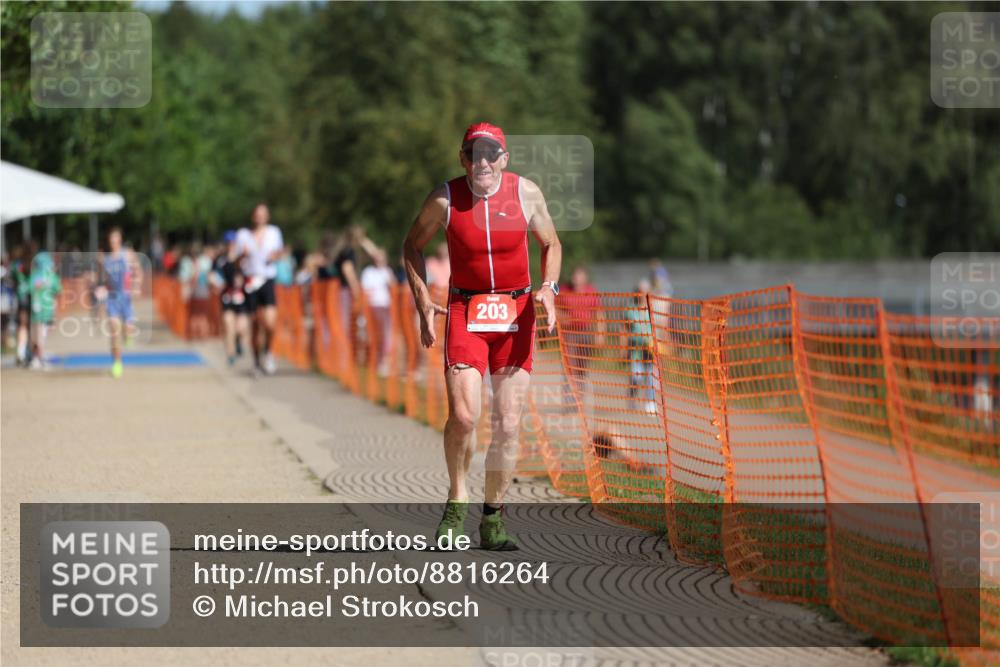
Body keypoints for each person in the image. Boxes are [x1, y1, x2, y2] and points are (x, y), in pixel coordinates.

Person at [403, 122, 562, 550]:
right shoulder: (445, 199)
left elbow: (551, 244)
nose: (483, 162)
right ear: (463, 159)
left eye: (491, 153)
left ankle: (493, 518)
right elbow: (412, 245)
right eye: (474, 154)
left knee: (508, 422)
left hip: (516, 314)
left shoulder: (526, 193)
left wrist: (549, 288)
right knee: (464, 415)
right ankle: (457, 502)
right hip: (466, 310)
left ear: (504, 159)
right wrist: (422, 299)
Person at [235, 202, 284, 375]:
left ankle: (269, 352)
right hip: (250, 281)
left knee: (270, 323)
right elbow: (236, 262)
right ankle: (256, 362)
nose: (260, 217)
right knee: (255, 324)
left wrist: (275, 256)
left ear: (267, 216)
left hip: (267, 280)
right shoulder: (243, 235)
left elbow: (280, 253)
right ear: (253, 216)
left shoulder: (274, 232)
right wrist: (242, 255)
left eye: (263, 214)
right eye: (258, 214)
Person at [212, 231, 250, 367]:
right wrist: (216, 283)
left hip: (241, 297)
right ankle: (231, 354)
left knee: (241, 328)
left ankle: (238, 342)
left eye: (233, 243)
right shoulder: (220, 260)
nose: (231, 245)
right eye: (229, 243)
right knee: (229, 326)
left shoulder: (242, 259)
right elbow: (212, 275)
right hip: (227, 297)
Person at [101, 227, 133, 379]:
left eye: (116, 237)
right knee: (114, 332)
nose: (113, 241)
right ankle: (117, 363)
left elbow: (137, 271)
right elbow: (105, 280)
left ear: (120, 239)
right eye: (111, 238)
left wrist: (136, 284)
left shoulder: (127, 254)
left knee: (127, 329)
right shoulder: (106, 259)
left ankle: (128, 335)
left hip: (126, 298)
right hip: (112, 298)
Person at [360, 247, 397, 377]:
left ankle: (383, 362)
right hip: (372, 307)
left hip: (385, 307)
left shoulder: (387, 272)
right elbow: (365, 290)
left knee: (385, 335)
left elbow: (393, 286)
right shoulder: (368, 272)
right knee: (372, 335)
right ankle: (371, 360)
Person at [625, 279, 657, 415]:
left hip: (650, 349)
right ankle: (632, 398)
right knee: (636, 376)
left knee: (651, 376)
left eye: (646, 293)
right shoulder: (631, 310)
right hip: (636, 349)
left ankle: (650, 403)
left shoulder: (653, 309)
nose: (643, 295)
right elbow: (626, 329)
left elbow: (658, 329)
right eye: (641, 292)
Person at [28, 250, 62, 370]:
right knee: (41, 334)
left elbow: (30, 288)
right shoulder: (51, 276)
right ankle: (39, 358)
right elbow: (58, 290)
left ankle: (36, 358)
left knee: (37, 333)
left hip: (37, 309)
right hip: (47, 310)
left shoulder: (35, 276)